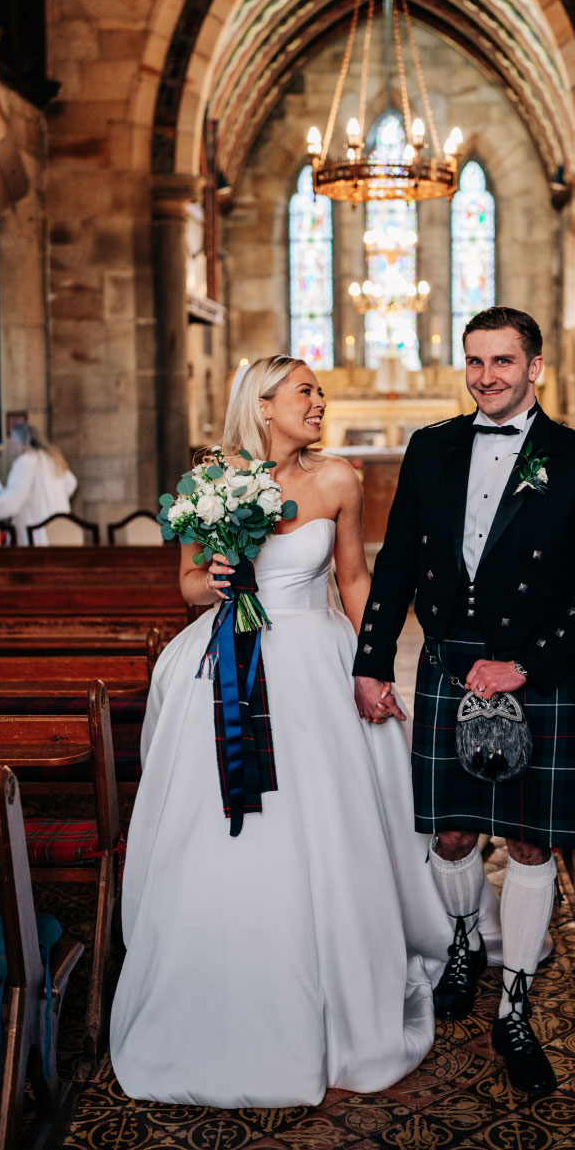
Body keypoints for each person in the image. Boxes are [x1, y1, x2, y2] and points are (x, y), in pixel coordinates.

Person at [109, 355, 456, 1107]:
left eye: (320, 392)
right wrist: (218, 580)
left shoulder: (338, 481)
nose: (320, 402)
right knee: (222, 834)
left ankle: (340, 992)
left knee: (326, 828)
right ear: (263, 404)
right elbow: (189, 582)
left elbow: (356, 578)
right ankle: (224, 992)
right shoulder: (210, 482)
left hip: (315, 663)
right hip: (229, 660)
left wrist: (377, 667)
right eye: (307, 391)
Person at [353, 307, 575, 1098]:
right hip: (447, 664)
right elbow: (397, 557)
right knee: (450, 834)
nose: (487, 376)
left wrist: (528, 666)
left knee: (536, 844)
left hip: (532, 673)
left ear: (535, 366)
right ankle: (468, 939)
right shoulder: (431, 447)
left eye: (503, 361)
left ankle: (515, 1003)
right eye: (475, 361)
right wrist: (372, 662)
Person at [0, 423, 77, 546]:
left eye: (13, 443)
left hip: (36, 529)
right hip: (59, 529)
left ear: (19, 442)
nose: (13, 447)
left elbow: (13, 500)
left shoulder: (26, 462)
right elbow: (71, 483)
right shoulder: (52, 459)